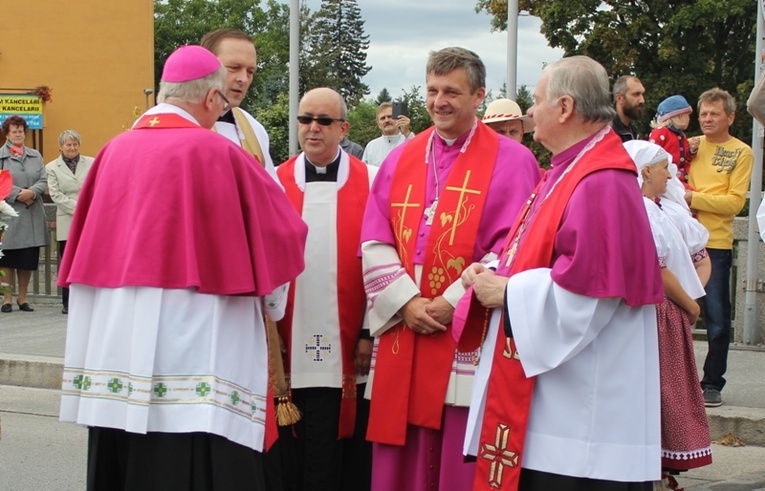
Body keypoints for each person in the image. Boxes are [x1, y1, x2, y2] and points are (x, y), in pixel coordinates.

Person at [58, 45, 307, 490]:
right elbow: (282, 236)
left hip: (115, 340)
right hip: (197, 339)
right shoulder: (218, 154)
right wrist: (273, 305)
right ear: (211, 98)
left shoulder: (112, 153)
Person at [461, 56, 663, 490]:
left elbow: (588, 297)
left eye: (536, 102)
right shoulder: (570, 168)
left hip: (583, 417)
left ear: (566, 107)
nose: (531, 113)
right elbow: (541, 253)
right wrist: (494, 270)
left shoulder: (600, 179)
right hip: (559, 404)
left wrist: (508, 291)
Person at [360, 47, 541, 491]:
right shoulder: (402, 157)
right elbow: (374, 236)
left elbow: (516, 246)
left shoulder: (513, 160)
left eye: (452, 92)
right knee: (401, 448)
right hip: (406, 318)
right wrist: (405, 302)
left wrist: (449, 302)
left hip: (467, 323)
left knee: (458, 442)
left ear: (479, 95)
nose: (439, 101)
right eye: (433, 90)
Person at [275, 87, 376, 491]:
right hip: (290, 336)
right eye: (305, 119)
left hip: (352, 338)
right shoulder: (276, 180)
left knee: (345, 448)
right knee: (296, 448)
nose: (313, 128)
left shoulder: (371, 180)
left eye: (324, 121)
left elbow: (382, 259)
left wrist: (369, 330)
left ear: (344, 128)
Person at [625, 140, 713, 489]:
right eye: (663, 167)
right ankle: (654, 469)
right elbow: (657, 272)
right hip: (659, 311)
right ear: (646, 171)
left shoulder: (657, 209)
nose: (669, 174)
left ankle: (660, 470)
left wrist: (691, 297)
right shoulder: (643, 210)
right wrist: (691, 305)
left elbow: (693, 260)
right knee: (662, 392)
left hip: (667, 311)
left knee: (668, 391)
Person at [685, 88, 753, 408]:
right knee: (674, 314)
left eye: (714, 113)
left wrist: (692, 199)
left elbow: (734, 204)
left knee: (716, 318)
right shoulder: (689, 145)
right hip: (679, 243)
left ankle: (712, 382)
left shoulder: (742, 152)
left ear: (731, 117)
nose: (708, 119)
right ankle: (674, 381)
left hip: (715, 245)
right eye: (703, 114)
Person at [201, 28, 278, 182]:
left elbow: (271, 196)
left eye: (250, 72)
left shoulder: (254, 130)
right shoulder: (174, 122)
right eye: (234, 68)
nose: (243, 79)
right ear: (205, 65)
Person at [0, 115, 49, 313]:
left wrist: (32, 192)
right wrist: (19, 194)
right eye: (14, 131)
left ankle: (23, 298)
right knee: (8, 260)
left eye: (21, 131)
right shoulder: (1, 156)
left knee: (26, 259)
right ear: (7, 134)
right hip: (9, 215)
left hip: (31, 215)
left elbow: (43, 179)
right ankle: (7, 298)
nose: (18, 134)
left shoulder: (35, 155)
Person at [45, 130, 94, 315]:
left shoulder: (91, 162)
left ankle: (89, 300)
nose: (72, 148)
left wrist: (88, 207)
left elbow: (98, 186)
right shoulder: (52, 167)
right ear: (60, 146)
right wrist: (79, 207)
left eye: (75, 144)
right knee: (68, 262)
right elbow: (56, 195)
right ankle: (68, 302)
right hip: (67, 219)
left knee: (90, 260)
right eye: (68, 144)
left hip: (90, 218)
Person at [649, 95, 698, 186]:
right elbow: (651, 153)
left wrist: (692, 149)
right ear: (680, 116)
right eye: (687, 115)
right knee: (689, 197)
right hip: (667, 180)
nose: (689, 119)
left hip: (680, 180)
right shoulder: (661, 132)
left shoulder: (681, 135)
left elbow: (686, 156)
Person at [362, 102, 415, 167]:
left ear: (398, 119)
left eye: (390, 116)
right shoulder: (371, 147)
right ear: (378, 124)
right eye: (383, 118)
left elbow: (419, 156)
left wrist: (407, 132)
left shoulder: (408, 140)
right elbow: (365, 172)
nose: (386, 120)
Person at [613, 75, 646, 142]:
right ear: (619, 98)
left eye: (642, 94)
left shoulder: (633, 131)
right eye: (636, 94)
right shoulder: (606, 132)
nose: (642, 100)